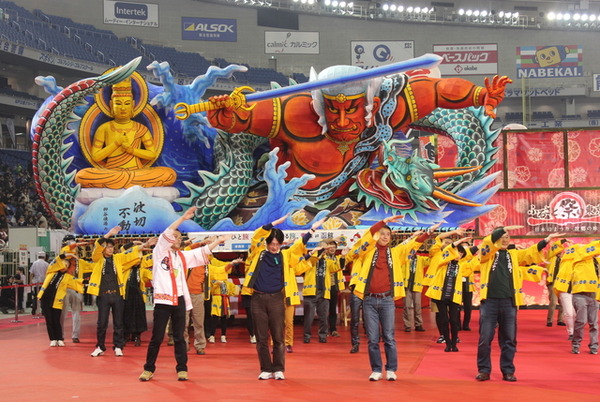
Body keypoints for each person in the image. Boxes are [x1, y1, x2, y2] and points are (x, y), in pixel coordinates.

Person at [206, 69, 510, 201]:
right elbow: (243, 118)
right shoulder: (295, 112)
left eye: (351, 109)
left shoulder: (390, 107)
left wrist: (480, 94)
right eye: (331, 110)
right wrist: (228, 115)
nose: (340, 120)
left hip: (356, 198)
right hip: (294, 200)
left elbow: (438, 91)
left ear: (372, 103)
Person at [139, 207, 226, 382]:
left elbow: (202, 253)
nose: (178, 239)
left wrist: (218, 242)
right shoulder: (159, 252)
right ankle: (149, 369)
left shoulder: (182, 257)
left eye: (180, 238)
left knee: (180, 336)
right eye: (176, 237)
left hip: (179, 300)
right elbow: (168, 232)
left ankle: (182, 368)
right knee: (157, 337)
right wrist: (183, 218)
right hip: (163, 301)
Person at [242, 214, 325, 380]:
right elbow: (257, 235)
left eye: (277, 244)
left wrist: (313, 229)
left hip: (277, 299)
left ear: (281, 244)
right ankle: (266, 368)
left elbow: (299, 245)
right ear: (267, 243)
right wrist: (274, 223)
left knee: (278, 336)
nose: (274, 247)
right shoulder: (258, 252)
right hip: (257, 299)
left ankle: (278, 368)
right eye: (271, 244)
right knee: (261, 338)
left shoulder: (285, 255)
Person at [475, 226, 562, 382]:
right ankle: (484, 370)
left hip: (509, 301)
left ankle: (508, 370)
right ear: (495, 239)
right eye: (502, 236)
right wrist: (502, 229)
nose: (505, 239)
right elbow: (488, 243)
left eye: (508, 236)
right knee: (485, 337)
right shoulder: (486, 253)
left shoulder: (513, 254)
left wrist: (546, 240)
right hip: (489, 301)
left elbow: (530, 254)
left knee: (509, 338)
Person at [349, 215, 428, 381]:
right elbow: (368, 235)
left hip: (386, 300)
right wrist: (383, 222)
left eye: (387, 234)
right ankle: (376, 369)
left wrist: (428, 233)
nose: (384, 236)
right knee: (372, 339)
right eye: (382, 233)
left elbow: (413, 245)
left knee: (389, 337)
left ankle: (391, 369)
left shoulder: (395, 253)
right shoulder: (368, 251)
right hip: (369, 300)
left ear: (391, 238)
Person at [75, 78, 176, 189]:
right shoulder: (104, 128)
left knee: (169, 174)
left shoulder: (141, 128)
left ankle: (123, 183)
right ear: (110, 104)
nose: (123, 108)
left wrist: (131, 150)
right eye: (118, 103)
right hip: (111, 172)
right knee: (82, 176)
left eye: (127, 103)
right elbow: (96, 156)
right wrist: (116, 144)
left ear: (133, 105)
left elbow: (152, 154)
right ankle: (131, 184)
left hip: (137, 172)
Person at [88, 226, 155, 357]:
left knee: (119, 323)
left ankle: (118, 346)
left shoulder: (118, 258)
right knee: (102, 323)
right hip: (103, 295)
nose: (110, 249)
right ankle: (100, 346)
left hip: (118, 295)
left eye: (112, 247)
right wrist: (109, 234)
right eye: (107, 247)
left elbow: (130, 253)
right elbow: (97, 246)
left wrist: (146, 244)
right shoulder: (98, 259)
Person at [425, 237, 475, 352]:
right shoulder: (442, 262)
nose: (459, 255)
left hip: (454, 296)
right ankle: (447, 343)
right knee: (444, 319)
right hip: (441, 296)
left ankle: (454, 343)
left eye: (461, 253)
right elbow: (448, 249)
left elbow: (473, 260)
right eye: (457, 252)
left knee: (454, 320)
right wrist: (457, 240)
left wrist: (484, 246)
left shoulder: (462, 265)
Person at [554, 240, 600, 354]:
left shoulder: (597, 261)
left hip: (594, 294)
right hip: (579, 295)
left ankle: (594, 346)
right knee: (581, 321)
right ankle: (576, 344)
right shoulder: (578, 259)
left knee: (594, 323)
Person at [37, 250, 83, 347]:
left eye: (67, 265)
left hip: (57, 301)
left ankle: (59, 338)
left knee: (56, 320)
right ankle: (53, 339)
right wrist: (69, 254)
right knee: (49, 320)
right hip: (45, 299)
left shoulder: (67, 277)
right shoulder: (51, 271)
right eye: (63, 264)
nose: (65, 266)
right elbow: (57, 258)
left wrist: (90, 282)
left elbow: (78, 282)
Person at [302, 240, 343, 344]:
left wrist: (342, 257)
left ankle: (323, 335)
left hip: (324, 292)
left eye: (326, 248)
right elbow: (307, 263)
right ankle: (307, 336)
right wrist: (318, 252)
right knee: (309, 317)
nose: (325, 250)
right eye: (323, 248)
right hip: (311, 292)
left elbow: (336, 267)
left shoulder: (327, 261)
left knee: (324, 317)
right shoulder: (310, 258)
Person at [59, 235, 93, 344]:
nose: (73, 251)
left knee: (76, 314)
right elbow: (64, 252)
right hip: (64, 289)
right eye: (72, 248)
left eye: (75, 249)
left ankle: (75, 335)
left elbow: (95, 266)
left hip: (77, 289)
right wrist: (76, 244)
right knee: (62, 314)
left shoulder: (81, 263)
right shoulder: (62, 260)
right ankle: (60, 335)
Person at [122, 242, 153, 347]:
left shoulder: (142, 269)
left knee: (138, 316)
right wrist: (133, 243)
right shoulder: (124, 268)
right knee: (126, 315)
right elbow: (123, 249)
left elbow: (153, 275)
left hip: (138, 296)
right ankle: (126, 335)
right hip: (126, 295)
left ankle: (137, 336)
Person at [207, 257, 242, 343]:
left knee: (224, 319)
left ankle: (223, 335)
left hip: (225, 301)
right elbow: (210, 291)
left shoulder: (227, 283)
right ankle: (212, 335)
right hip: (217, 300)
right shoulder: (214, 282)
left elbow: (235, 291)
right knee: (214, 318)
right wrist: (216, 283)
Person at [401, 231, 431, 332]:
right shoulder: (405, 259)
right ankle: (408, 325)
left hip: (417, 285)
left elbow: (430, 261)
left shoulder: (421, 259)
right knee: (407, 306)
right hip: (406, 285)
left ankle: (419, 324)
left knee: (418, 306)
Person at [545, 239, 568, 327]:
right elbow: (554, 246)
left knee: (562, 302)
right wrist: (564, 240)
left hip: (561, 283)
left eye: (561, 251)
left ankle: (560, 320)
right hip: (552, 282)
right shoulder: (551, 257)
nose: (560, 252)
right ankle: (550, 320)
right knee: (553, 302)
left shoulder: (563, 260)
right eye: (558, 250)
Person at [30, 251, 49, 317]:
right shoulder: (46, 264)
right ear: (44, 256)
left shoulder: (34, 263)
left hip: (36, 282)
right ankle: (44, 311)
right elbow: (48, 273)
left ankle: (34, 309)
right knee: (44, 298)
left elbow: (31, 273)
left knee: (36, 297)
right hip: (44, 282)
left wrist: (30, 281)